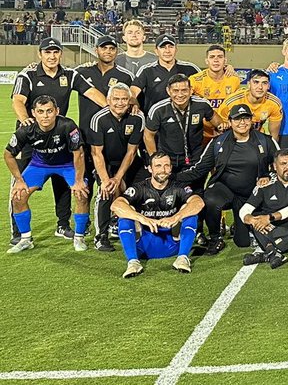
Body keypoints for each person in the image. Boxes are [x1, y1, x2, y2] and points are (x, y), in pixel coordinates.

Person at [10, 37, 107, 242]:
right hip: (31, 138)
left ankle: (62, 225)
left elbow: (91, 93)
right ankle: (18, 233)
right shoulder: (27, 74)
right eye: (47, 52)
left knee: (63, 182)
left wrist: (113, 108)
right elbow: (18, 100)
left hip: (59, 136)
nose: (52, 56)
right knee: (20, 184)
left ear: (60, 54)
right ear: (40, 54)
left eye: (55, 52)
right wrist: (25, 120)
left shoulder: (70, 74)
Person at [177, 104, 279, 255]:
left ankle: (238, 227)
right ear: (230, 122)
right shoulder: (218, 142)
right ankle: (215, 238)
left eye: (246, 118)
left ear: (252, 121)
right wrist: (172, 178)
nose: (242, 123)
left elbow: (282, 165)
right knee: (210, 199)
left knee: (243, 242)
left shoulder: (265, 141)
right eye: (237, 119)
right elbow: (199, 169)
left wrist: (267, 176)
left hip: (252, 196)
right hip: (225, 189)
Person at [4, 96, 90, 253]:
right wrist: (19, 180)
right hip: (39, 165)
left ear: (56, 111)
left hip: (67, 165)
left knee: (82, 194)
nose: (45, 116)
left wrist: (78, 180)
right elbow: (8, 154)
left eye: (49, 111)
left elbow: (79, 153)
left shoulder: (68, 125)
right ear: (33, 113)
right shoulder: (26, 129)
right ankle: (25, 239)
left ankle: (79, 238)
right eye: (41, 112)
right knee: (18, 196)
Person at [110, 152, 204, 277]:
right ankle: (133, 262)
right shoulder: (139, 188)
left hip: (173, 244)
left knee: (189, 211)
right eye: (158, 166)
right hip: (143, 246)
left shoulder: (178, 187)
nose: (163, 170)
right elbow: (116, 205)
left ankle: (182, 258)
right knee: (127, 214)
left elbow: (199, 202)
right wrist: (142, 218)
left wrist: (175, 217)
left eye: (166, 166)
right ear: (150, 168)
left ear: (170, 168)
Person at [85, 84, 145, 252]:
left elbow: (132, 152)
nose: (120, 103)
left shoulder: (137, 118)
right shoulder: (99, 119)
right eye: (116, 99)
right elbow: (96, 153)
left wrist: (118, 178)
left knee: (145, 188)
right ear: (109, 100)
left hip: (129, 161)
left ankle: (144, 228)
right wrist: (106, 180)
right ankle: (101, 236)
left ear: (130, 101)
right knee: (106, 191)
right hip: (105, 162)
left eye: (124, 99)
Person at [239, 150, 288, 268]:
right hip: (271, 229)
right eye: (283, 164)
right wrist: (253, 220)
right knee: (258, 222)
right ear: (275, 166)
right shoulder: (265, 184)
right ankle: (273, 253)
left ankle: (266, 253)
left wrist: (269, 218)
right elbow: (245, 210)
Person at [144, 75, 214, 175]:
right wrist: (156, 160)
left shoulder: (202, 105)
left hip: (195, 158)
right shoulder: (158, 109)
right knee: (169, 190)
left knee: (195, 190)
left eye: (184, 90)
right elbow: (148, 135)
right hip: (168, 159)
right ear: (168, 91)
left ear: (190, 90)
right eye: (175, 90)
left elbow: (219, 124)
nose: (180, 95)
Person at [75, 35, 135, 138]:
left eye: (112, 48)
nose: (108, 51)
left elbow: (133, 102)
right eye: (104, 48)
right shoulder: (82, 72)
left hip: (114, 132)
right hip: (86, 131)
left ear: (117, 51)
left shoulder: (126, 76)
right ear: (96, 50)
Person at [189, 45, 243, 141]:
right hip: (202, 133)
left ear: (225, 61)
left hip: (227, 132)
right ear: (206, 61)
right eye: (212, 57)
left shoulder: (234, 80)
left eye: (220, 57)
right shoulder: (195, 80)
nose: (216, 60)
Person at [131, 35, 200, 111]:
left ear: (176, 49)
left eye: (170, 47)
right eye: (163, 47)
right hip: (154, 119)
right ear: (156, 51)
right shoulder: (147, 70)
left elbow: (203, 88)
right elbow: (133, 91)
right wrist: (134, 102)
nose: (167, 51)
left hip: (185, 117)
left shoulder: (190, 69)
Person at [216, 69, 284, 142]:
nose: (260, 87)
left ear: (268, 86)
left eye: (264, 83)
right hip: (234, 139)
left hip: (257, 138)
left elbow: (274, 136)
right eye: (256, 82)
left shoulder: (274, 103)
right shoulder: (232, 101)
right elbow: (219, 127)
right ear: (248, 84)